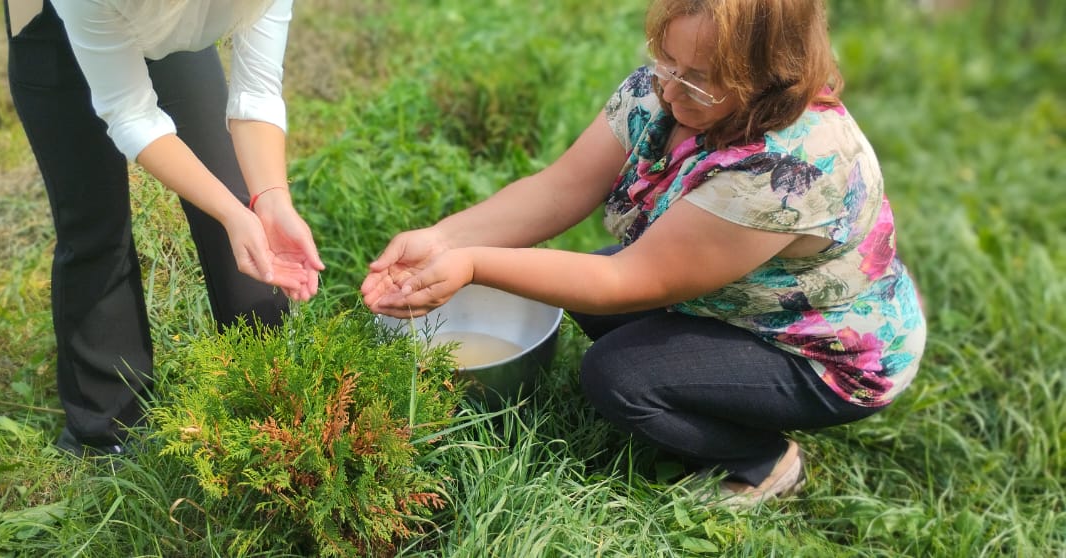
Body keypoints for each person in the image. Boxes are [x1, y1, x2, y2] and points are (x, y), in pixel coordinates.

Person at [361, 0, 926, 506]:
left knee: (619, 377)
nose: (671, 91)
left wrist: (476, 265)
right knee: (580, 285)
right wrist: (445, 239)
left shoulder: (791, 170)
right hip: (744, 301)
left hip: (821, 350)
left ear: (769, 76)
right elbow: (560, 188)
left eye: (701, 81)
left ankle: (764, 463)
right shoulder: (664, 91)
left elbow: (625, 280)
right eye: (666, 61)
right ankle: (698, 382)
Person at [4, 0, 324, 456]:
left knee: (240, 205)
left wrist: (268, 200)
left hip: (172, 16)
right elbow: (131, 115)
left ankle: (271, 408)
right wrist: (236, 216)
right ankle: (104, 434)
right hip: (59, 21)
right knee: (94, 223)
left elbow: (257, 93)